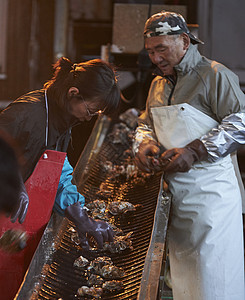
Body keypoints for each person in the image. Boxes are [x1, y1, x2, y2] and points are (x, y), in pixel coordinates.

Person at [133, 11, 245, 300]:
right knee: (185, 285)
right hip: (176, 198)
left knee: (213, 284)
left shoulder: (215, 75)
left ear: (184, 41)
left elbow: (241, 121)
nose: (155, 59)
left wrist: (196, 151)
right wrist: (145, 145)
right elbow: (146, 124)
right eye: (150, 51)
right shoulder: (158, 84)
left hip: (212, 200)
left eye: (162, 49)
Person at [0, 57, 121, 250]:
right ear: (73, 93)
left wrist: (78, 214)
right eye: (91, 110)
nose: (89, 118)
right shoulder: (25, 114)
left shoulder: (62, 119)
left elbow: (56, 171)